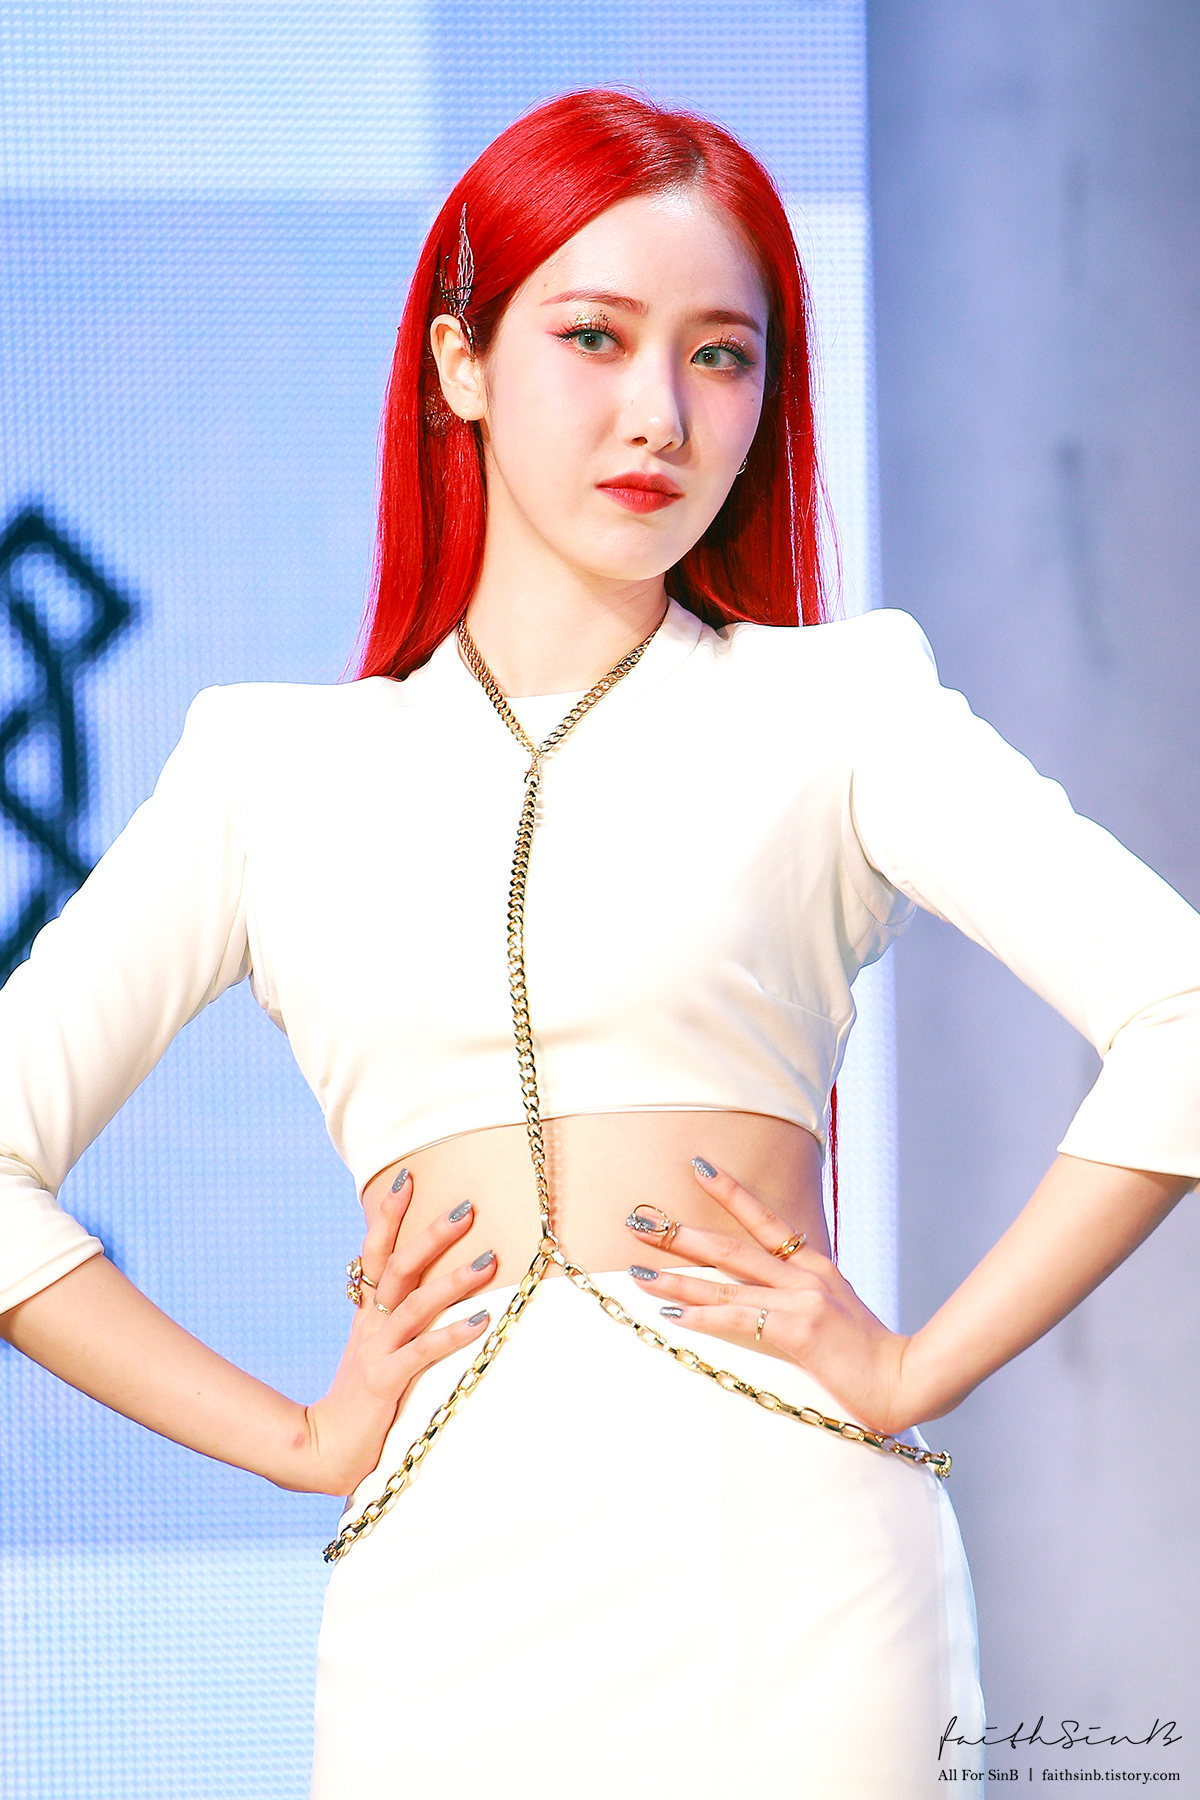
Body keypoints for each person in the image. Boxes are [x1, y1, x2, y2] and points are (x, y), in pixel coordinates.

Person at [1, 89, 1197, 1799]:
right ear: (461, 362)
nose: (661, 414)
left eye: (722, 356)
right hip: (441, 1576)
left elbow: (1180, 1012)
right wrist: (299, 1440)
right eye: (594, 337)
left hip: (788, 1565)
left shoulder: (841, 706)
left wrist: (913, 1368)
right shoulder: (268, 770)